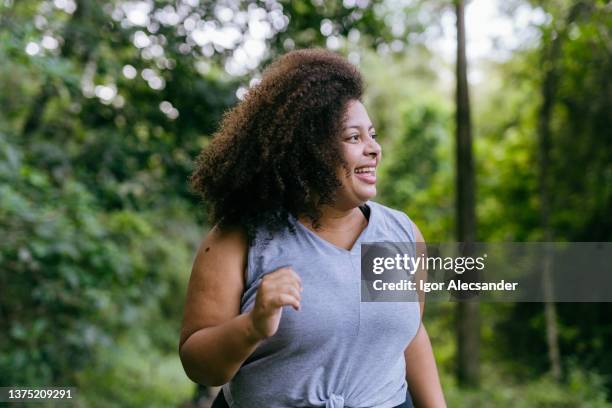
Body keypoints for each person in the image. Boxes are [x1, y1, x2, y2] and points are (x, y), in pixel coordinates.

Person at [179, 48, 446, 408]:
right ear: (308, 152)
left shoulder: (400, 233)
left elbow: (409, 336)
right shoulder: (240, 238)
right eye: (354, 138)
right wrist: (253, 326)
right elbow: (200, 366)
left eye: (372, 135)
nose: (374, 149)